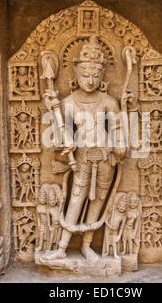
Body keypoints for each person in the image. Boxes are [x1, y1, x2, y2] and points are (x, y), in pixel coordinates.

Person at [42, 36, 128, 261]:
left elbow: (118, 128)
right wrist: (64, 138)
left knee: (98, 200)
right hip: (80, 159)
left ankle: (87, 245)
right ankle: (61, 248)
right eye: (84, 75)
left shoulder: (109, 102)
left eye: (94, 76)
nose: (90, 80)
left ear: (102, 77)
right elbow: (61, 134)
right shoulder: (67, 104)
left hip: (105, 158)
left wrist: (120, 145)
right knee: (76, 199)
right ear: (75, 75)